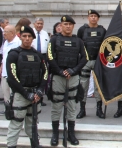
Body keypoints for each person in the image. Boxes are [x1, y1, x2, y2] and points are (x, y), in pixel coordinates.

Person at [48, 15, 88, 146]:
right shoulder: (54, 40)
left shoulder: (79, 41)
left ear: (73, 26)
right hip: (59, 76)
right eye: (65, 24)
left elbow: (85, 58)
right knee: (56, 105)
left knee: (72, 105)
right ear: (61, 25)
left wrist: (73, 70)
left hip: (73, 76)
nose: (68, 26)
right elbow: (50, 57)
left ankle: (71, 133)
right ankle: (55, 134)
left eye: (70, 24)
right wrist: (60, 71)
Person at [6, 25, 48, 148]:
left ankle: (35, 144)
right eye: (24, 36)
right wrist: (26, 94)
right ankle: (11, 145)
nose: (27, 38)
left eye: (30, 36)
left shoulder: (38, 55)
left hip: (35, 95)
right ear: (20, 37)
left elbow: (45, 73)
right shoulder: (14, 54)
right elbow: (12, 77)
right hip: (21, 94)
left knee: (32, 122)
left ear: (33, 38)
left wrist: (40, 91)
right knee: (16, 123)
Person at [76, 10, 106, 119]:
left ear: (98, 18)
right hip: (85, 61)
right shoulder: (82, 30)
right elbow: (78, 45)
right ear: (88, 17)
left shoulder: (102, 30)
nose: (93, 18)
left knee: (98, 86)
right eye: (91, 16)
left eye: (95, 16)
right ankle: (82, 109)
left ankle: (99, 109)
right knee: (83, 85)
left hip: (98, 61)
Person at [0, 25, 21, 116]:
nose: (4, 33)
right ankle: (7, 109)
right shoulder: (6, 42)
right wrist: (1, 68)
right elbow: (4, 57)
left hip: (13, 73)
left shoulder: (18, 43)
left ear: (12, 33)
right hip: (5, 72)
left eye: (6, 32)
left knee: (13, 93)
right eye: (4, 32)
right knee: (5, 92)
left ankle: (14, 109)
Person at [31, 17, 50, 107]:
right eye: (38, 23)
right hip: (32, 57)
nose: (39, 25)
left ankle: (40, 98)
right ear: (34, 24)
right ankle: (32, 96)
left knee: (43, 76)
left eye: (41, 24)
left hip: (43, 57)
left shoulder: (45, 34)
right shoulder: (30, 33)